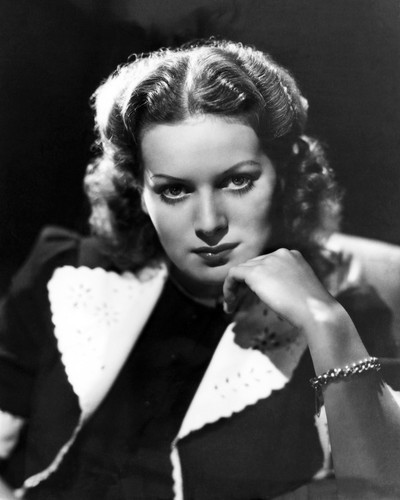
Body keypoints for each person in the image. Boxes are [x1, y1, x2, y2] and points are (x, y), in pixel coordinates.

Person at [0, 38, 399, 500]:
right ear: (138, 190)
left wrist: (325, 321)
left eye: (238, 181)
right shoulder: (66, 272)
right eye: (174, 190)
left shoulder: (346, 316)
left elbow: (382, 491)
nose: (209, 223)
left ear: (284, 176)